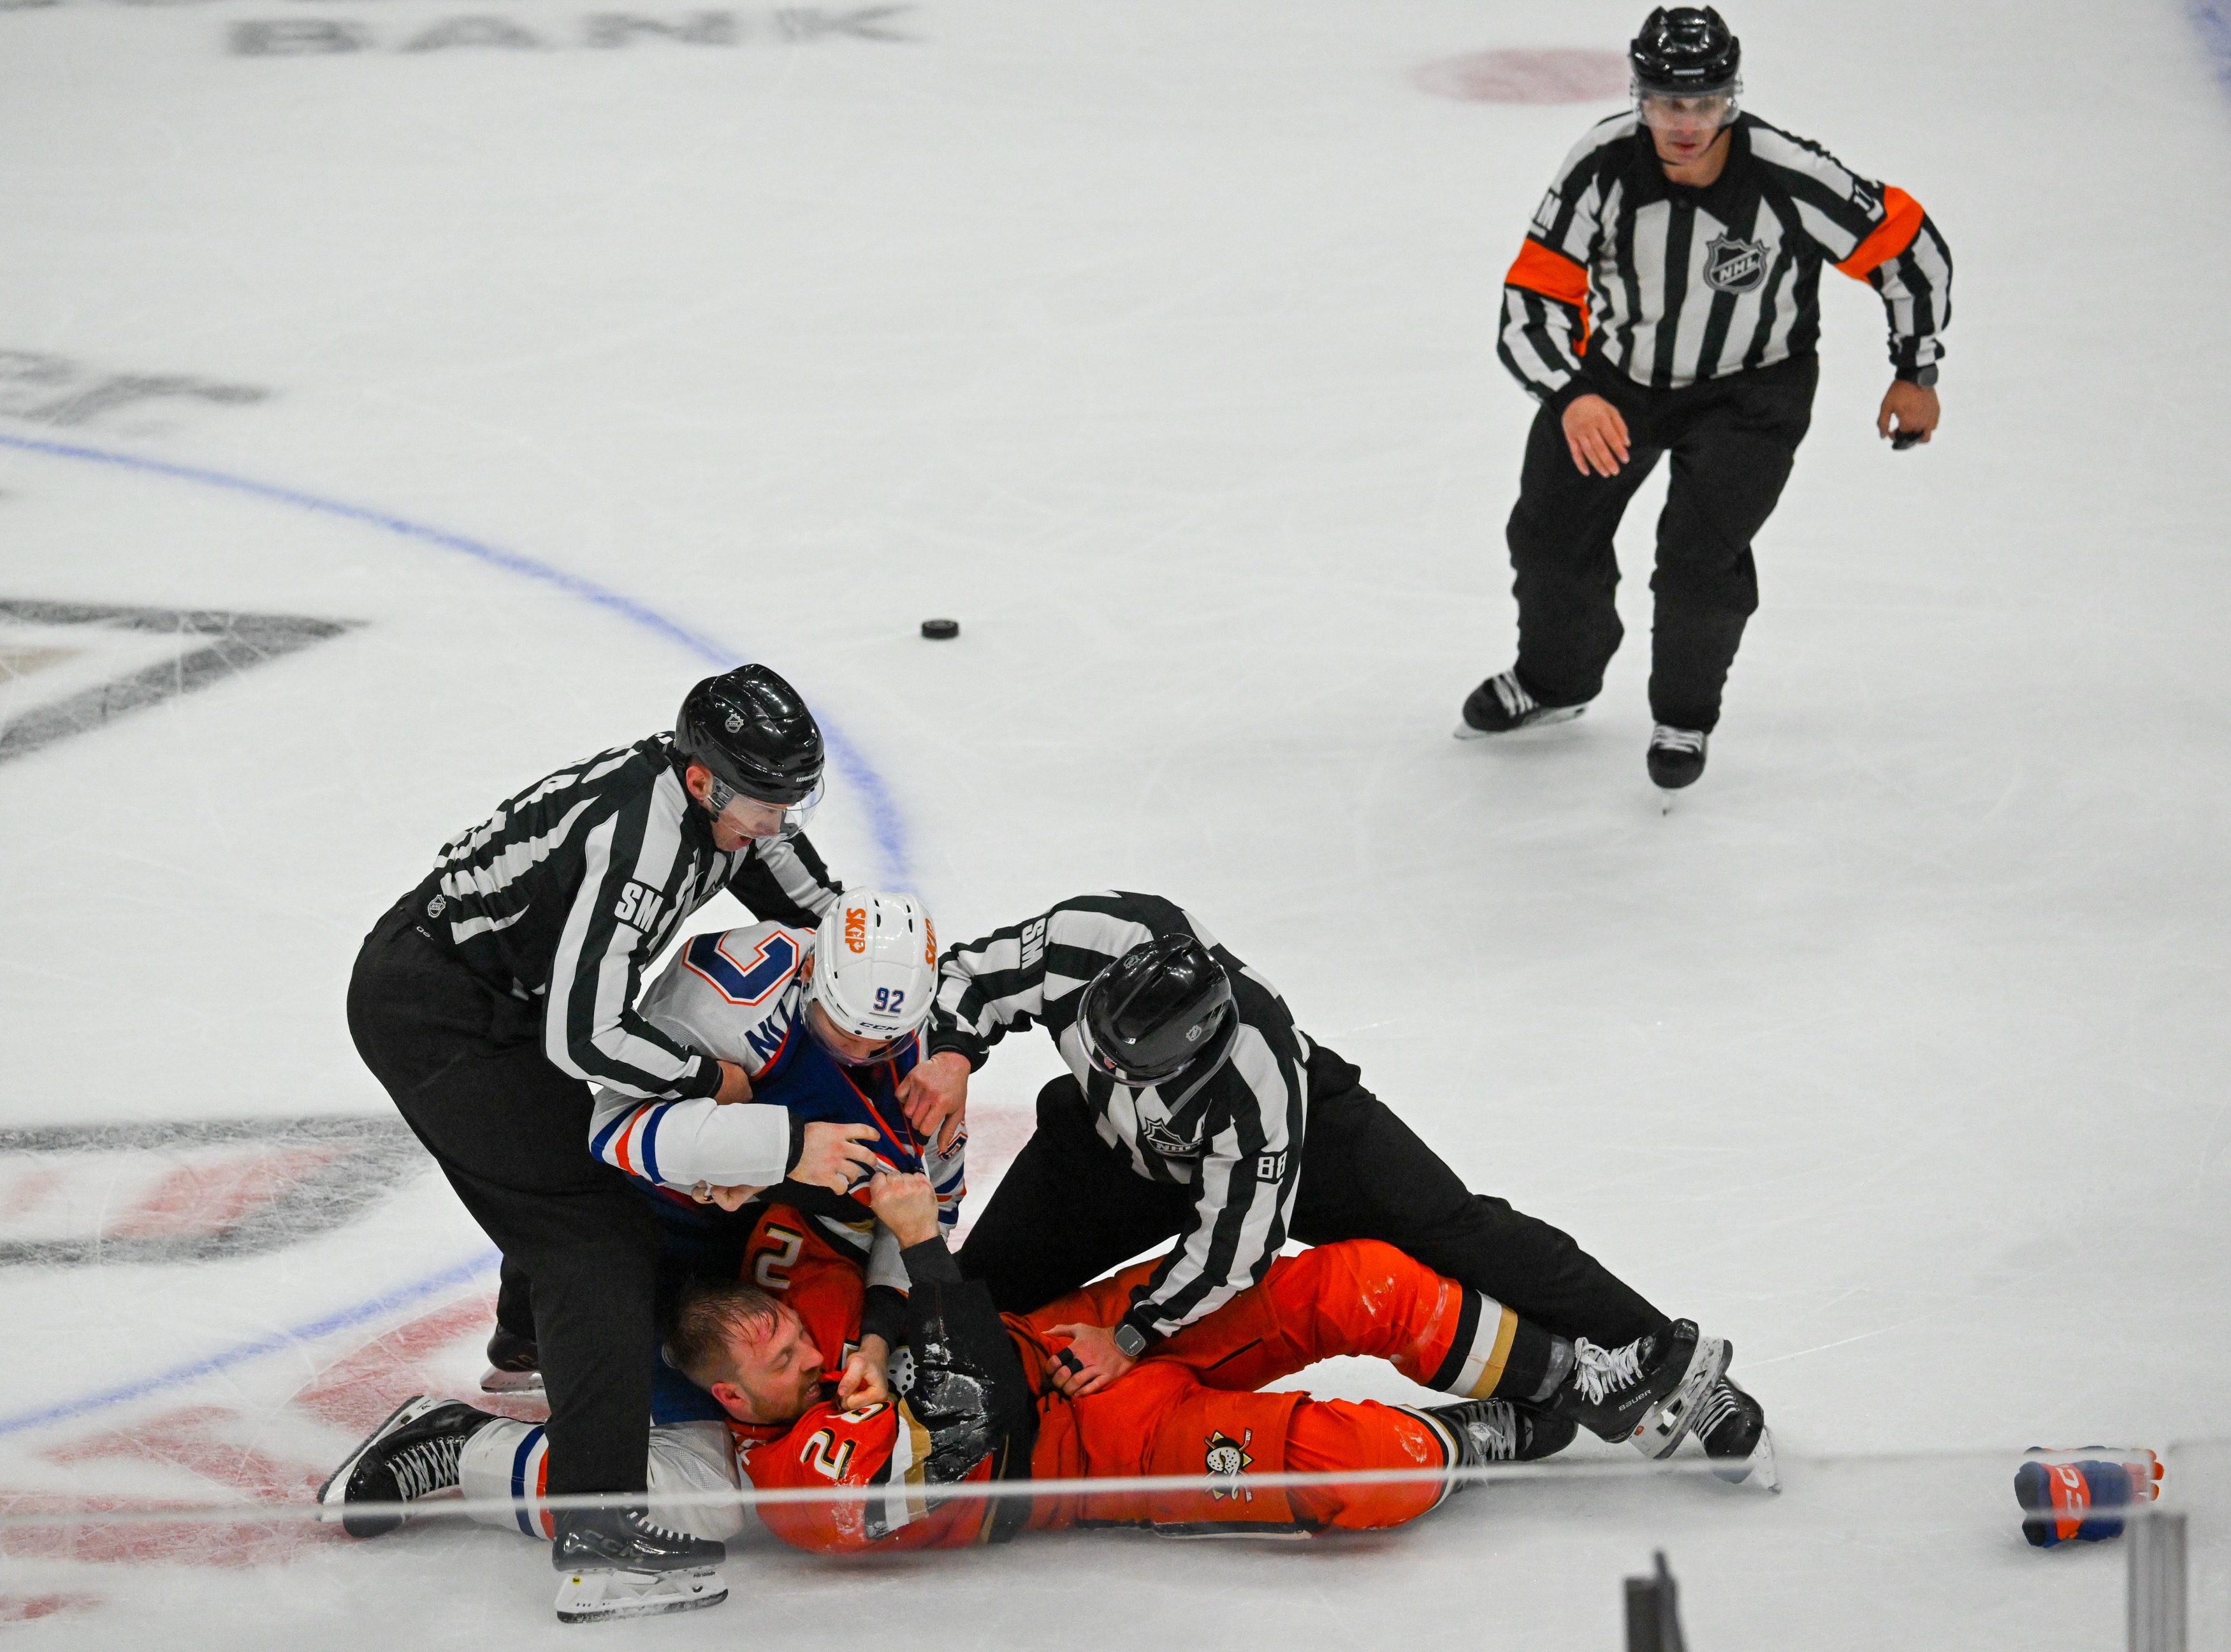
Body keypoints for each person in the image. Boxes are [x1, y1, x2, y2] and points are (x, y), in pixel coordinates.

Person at [318, 1173, 1729, 1569]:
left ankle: (1572, 1376)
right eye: (785, 1358)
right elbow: (976, 1402)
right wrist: (918, 1283)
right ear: (740, 1398)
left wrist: (874, 1215)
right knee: (1388, 1473)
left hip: (1094, 1340)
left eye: (795, 1332)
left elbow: (858, 1185)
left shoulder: (779, 1292)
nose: (806, 1345)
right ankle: (462, 1447)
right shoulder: (794, 1480)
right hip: (1094, 1453)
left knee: (1347, 1278)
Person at [342, 663, 882, 1619]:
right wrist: (708, 1078)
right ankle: (599, 1534)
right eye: (767, 801)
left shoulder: (729, 806)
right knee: (595, 1242)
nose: (781, 820)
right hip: (439, 1014)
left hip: (502, 1004)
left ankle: (527, 1339)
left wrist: (908, 1021)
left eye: (797, 798)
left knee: (582, 1186)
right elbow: (585, 1039)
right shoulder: (641, 841)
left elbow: (827, 914)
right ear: (705, 780)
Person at [901, 890, 1770, 1477]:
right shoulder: (1090, 941)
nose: (1109, 1064)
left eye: (1137, 1067)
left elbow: (1230, 1251)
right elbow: (975, 977)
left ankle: (1660, 1357)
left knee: (1455, 1229)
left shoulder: (1260, 1079)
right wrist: (950, 1053)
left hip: (1291, 1155)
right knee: (982, 1298)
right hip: (1100, 1151)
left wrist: (1129, 1337)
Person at [1457, 4, 1952, 791]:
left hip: (1749, 398)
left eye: (1703, 103)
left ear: (1732, 98)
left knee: (1697, 562)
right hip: (1617, 384)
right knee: (1549, 539)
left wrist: (1914, 370)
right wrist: (1572, 391)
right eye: (1664, 103)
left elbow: (1909, 251)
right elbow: (1532, 294)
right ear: (1637, 97)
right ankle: (1554, 681)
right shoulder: (1600, 162)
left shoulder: (1790, 175)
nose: (1684, 123)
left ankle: (1683, 716)